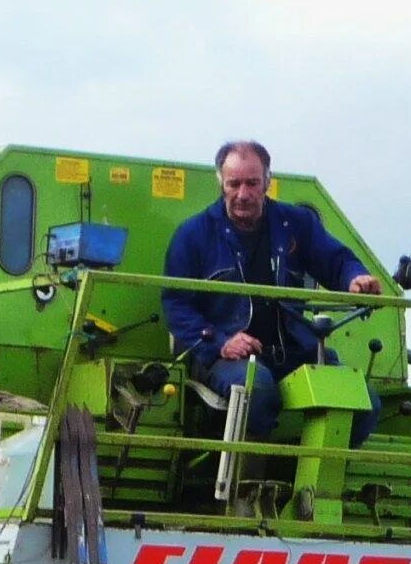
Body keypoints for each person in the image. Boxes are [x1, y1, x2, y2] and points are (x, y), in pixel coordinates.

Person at [163, 140, 381, 446]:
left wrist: (355, 278)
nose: (243, 194)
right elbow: (176, 305)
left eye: (252, 183)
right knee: (258, 387)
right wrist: (222, 342)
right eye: (234, 184)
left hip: (295, 351)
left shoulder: (298, 224)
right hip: (225, 358)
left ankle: (318, 471)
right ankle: (252, 482)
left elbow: (336, 260)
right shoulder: (193, 235)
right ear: (221, 183)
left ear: (267, 181)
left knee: (364, 401)